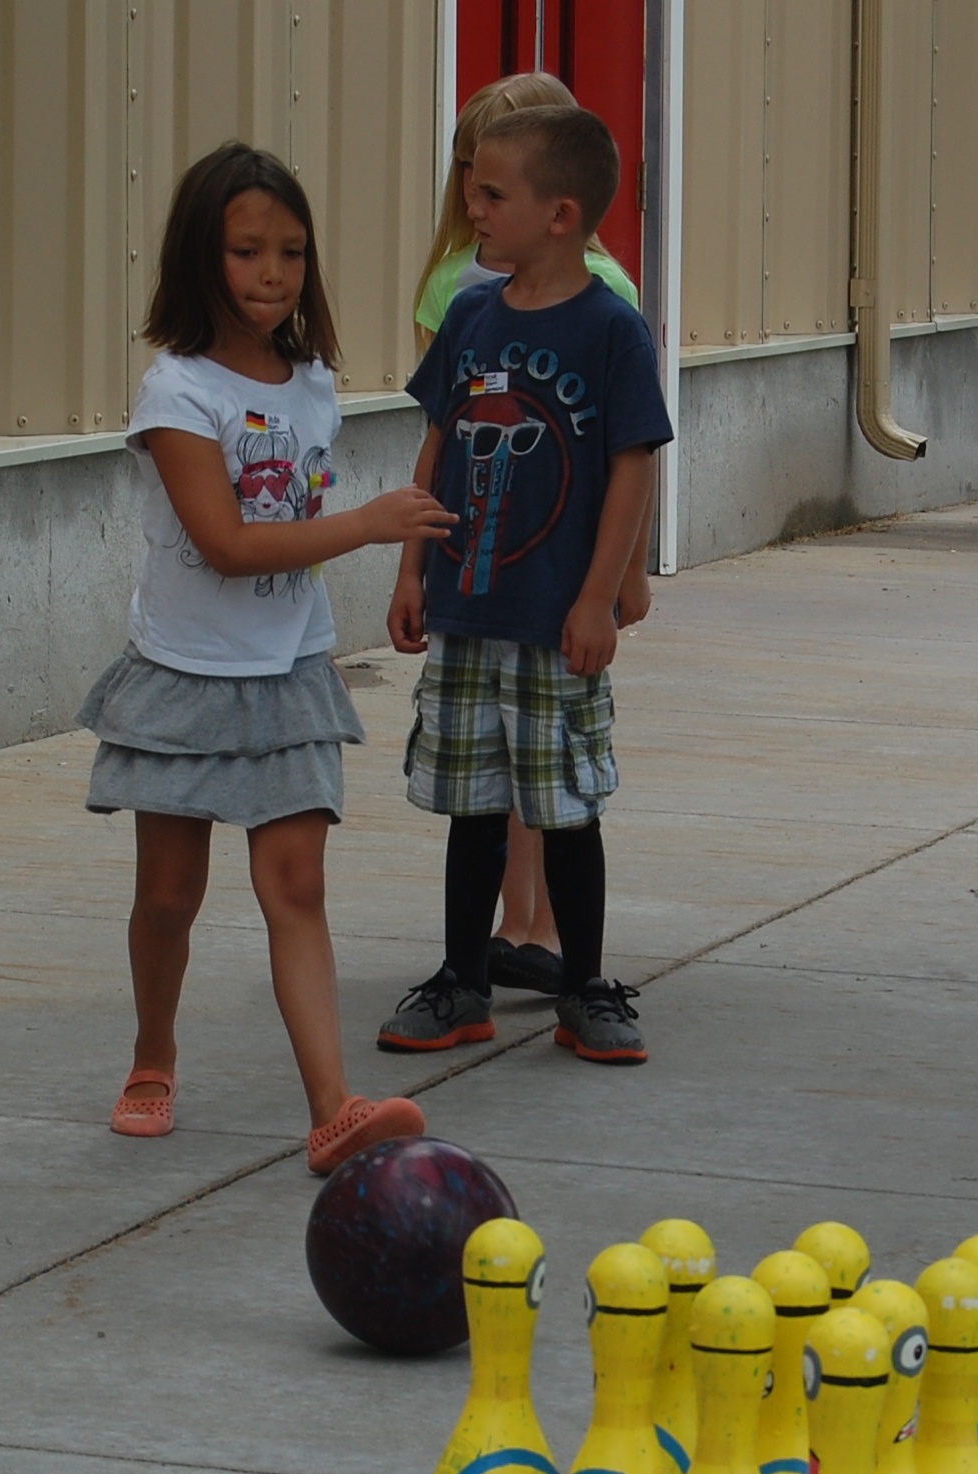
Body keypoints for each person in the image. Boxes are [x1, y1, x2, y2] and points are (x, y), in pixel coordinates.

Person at [83, 140, 448, 1172]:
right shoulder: (176, 394)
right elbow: (227, 545)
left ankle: (331, 1105)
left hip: (289, 673)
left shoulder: (312, 383)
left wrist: (368, 536)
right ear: (202, 257)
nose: (271, 273)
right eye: (246, 251)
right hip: (185, 674)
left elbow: (283, 522)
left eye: (290, 252)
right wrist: (370, 525)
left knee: (296, 887)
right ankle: (152, 1054)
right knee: (168, 895)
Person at [376, 104, 669, 1065]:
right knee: (474, 801)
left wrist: (599, 595)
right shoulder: (469, 315)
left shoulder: (610, 331)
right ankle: (464, 978)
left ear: (560, 213)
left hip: (554, 616)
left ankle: (585, 985)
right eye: (473, 188)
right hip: (467, 604)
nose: (473, 205)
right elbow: (438, 440)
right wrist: (413, 566)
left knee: (564, 803)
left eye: (494, 193)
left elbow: (632, 462)